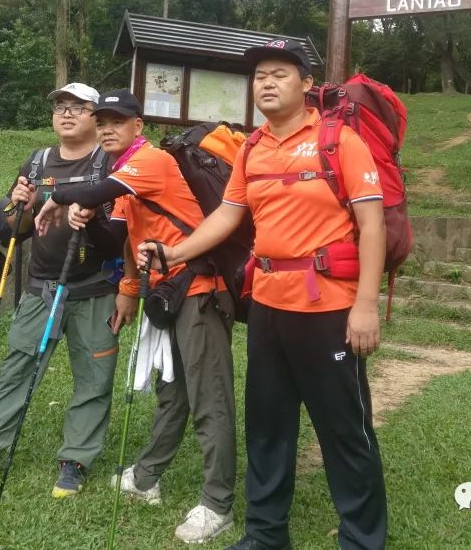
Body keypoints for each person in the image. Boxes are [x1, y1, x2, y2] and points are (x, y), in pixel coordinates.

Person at [136, 40, 388, 550]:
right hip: (269, 304)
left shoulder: (339, 141)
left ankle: (362, 539)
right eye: (259, 77)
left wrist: (365, 305)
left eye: (279, 74)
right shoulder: (251, 147)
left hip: (328, 307)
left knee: (343, 428)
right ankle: (266, 534)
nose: (266, 83)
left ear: (306, 85)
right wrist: (175, 253)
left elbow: (373, 224)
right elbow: (227, 218)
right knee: (269, 425)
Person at [36, 89, 237, 545]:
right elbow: (126, 238)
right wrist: (127, 289)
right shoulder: (122, 168)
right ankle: (146, 477)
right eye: (101, 120)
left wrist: (57, 197)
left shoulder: (149, 162)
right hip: (163, 292)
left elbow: (95, 191)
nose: (106, 128)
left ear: (137, 127)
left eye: (116, 121)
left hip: (198, 290)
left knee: (211, 398)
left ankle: (217, 503)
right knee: (173, 393)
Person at [0, 82, 127, 498]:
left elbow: (120, 233)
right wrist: (19, 203)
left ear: (96, 116)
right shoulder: (37, 162)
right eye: (60, 107)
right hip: (40, 289)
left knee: (93, 378)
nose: (67, 114)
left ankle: (76, 459)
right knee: (15, 371)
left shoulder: (111, 164)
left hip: (95, 290)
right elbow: (12, 231)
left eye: (78, 107)